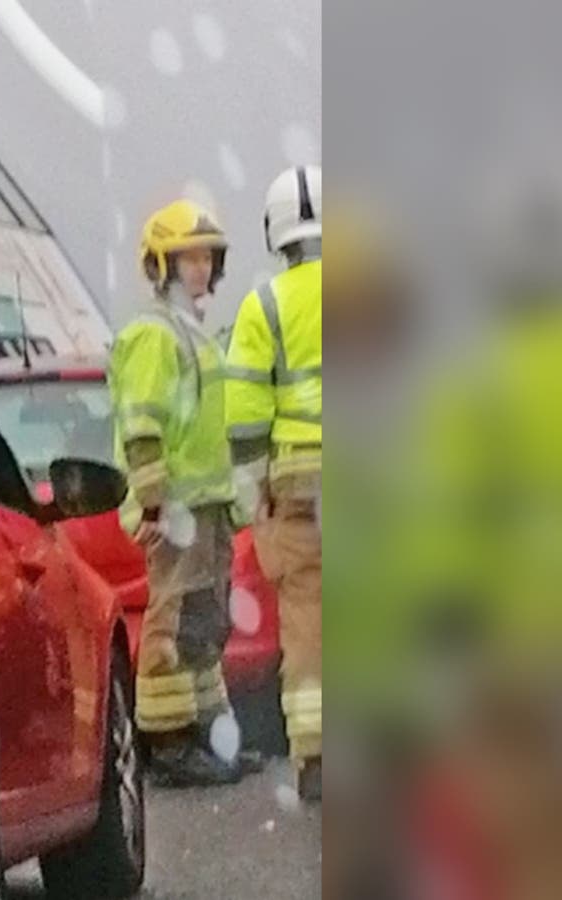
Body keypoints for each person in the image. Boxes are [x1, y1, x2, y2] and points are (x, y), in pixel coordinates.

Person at [109, 199, 254, 786]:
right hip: (175, 511)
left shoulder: (192, 334)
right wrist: (152, 504)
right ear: (160, 264)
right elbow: (142, 429)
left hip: (205, 507)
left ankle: (205, 737)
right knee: (170, 624)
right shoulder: (153, 335)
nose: (200, 268)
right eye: (187, 257)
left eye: (206, 257)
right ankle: (168, 747)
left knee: (203, 622)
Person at [225, 165, 322, 800]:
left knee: (308, 616)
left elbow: (245, 417)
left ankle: (317, 759)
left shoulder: (263, 306)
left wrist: (252, 485)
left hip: (300, 482)